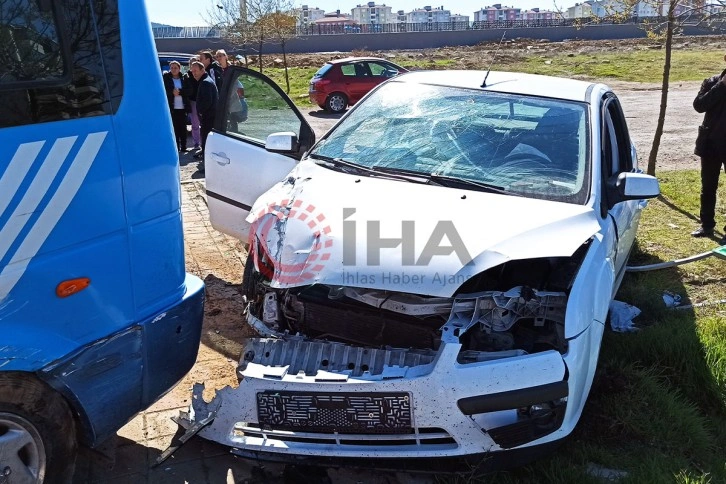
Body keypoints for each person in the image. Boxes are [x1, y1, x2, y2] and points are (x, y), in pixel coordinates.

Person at [692, 56, 726, 244]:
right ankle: (706, 225)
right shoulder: (712, 82)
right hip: (711, 143)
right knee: (708, 186)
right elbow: (699, 105)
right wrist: (720, 86)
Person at [190, 61, 218, 172]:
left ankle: (207, 167)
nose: (194, 73)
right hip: (208, 118)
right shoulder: (205, 81)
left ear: (202, 70)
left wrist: (201, 113)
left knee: (207, 142)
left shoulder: (205, 83)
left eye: (196, 71)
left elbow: (207, 102)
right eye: (192, 71)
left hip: (208, 118)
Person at [162, 61, 189, 152]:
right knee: (174, 128)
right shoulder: (166, 78)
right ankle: (176, 147)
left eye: (175, 68)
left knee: (183, 128)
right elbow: (163, 90)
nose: (173, 70)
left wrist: (180, 92)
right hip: (172, 107)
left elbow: (189, 90)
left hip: (182, 107)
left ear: (179, 68)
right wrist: (171, 92)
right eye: (172, 68)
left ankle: (184, 146)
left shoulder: (184, 78)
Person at [183, 56, 202, 151]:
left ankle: (204, 142)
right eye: (191, 64)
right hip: (193, 101)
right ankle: (196, 143)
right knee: (195, 124)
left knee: (204, 123)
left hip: (202, 100)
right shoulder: (187, 76)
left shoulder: (203, 75)